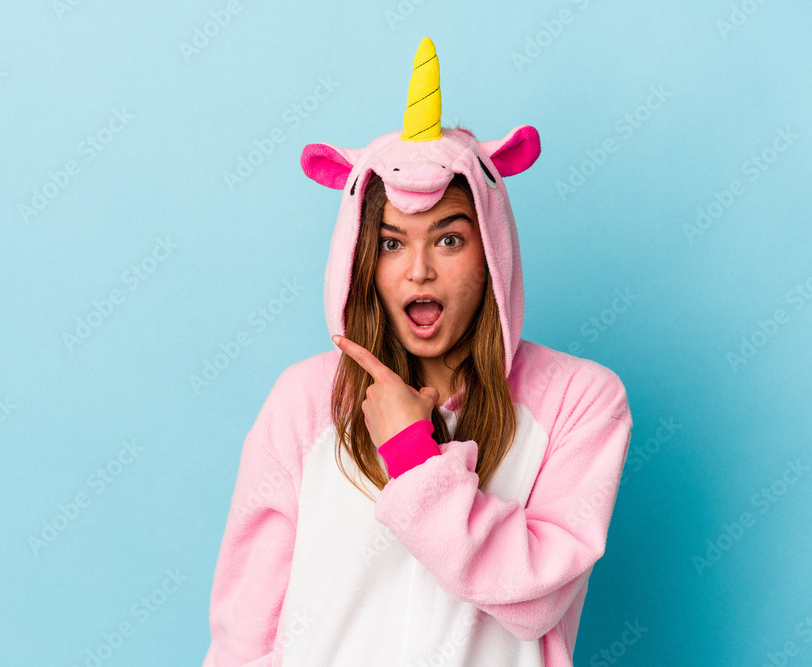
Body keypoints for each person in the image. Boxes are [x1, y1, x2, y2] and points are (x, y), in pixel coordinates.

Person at [202, 37, 633, 667]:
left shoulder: (579, 401)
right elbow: (245, 633)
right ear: (360, 259)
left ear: (492, 252)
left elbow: (535, 601)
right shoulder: (303, 401)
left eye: (449, 240)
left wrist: (412, 455)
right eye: (391, 243)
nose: (419, 271)